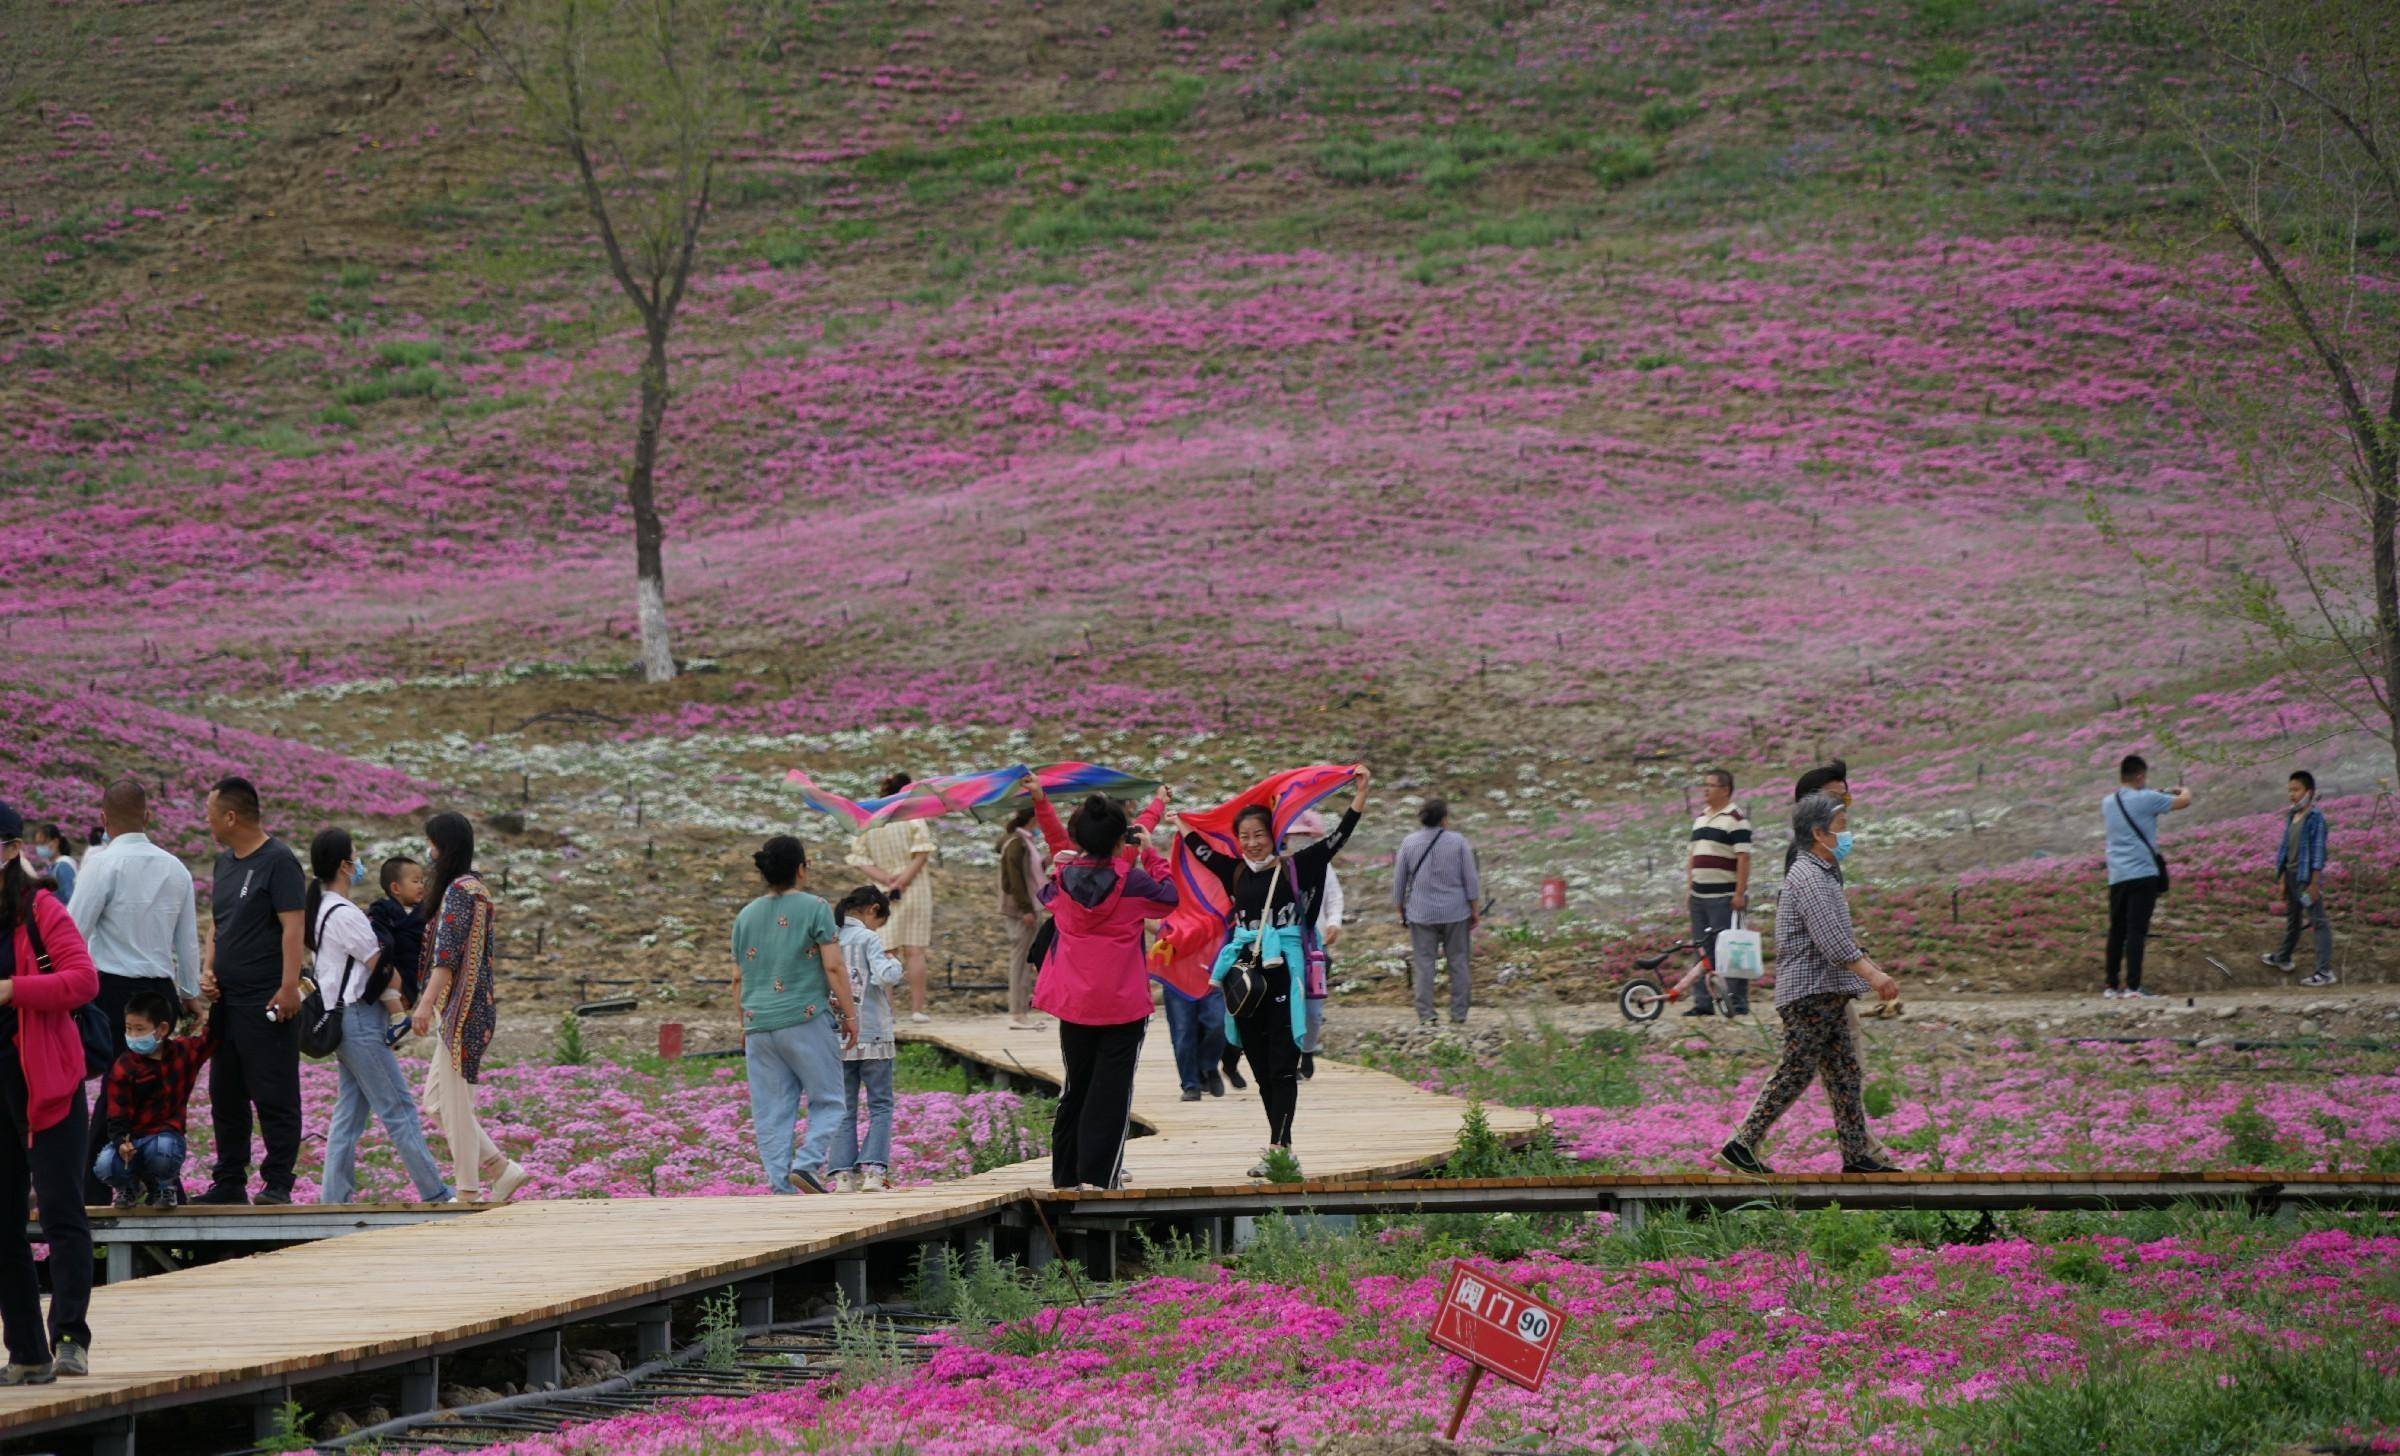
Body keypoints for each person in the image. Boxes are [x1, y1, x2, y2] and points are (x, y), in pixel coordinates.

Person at [1190, 773, 1369, 1176]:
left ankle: (1279, 1147)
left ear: (1275, 835)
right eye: (1245, 836)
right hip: (1245, 978)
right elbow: (1199, 850)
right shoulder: (1235, 871)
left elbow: (1339, 837)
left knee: (1282, 1064)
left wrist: (1360, 793)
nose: (1252, 842)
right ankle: (1280, 1146)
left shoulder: (1297, 867)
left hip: (1285, 973)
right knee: (1259, 1066)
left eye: (1259, 834)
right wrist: (1177, 819)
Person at [1718, 793, 1902, 1177]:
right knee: (1797, 1070)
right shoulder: (1809, 878)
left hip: (1826, 992)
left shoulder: (1823, 874)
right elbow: (1833, 943)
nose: (1846, 835)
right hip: (1809, 994)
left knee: (1844, 1073)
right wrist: (1874, 976)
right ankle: (1741, 1144)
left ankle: (1856, 1156)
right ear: (1819, 833)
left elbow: (1842, 940)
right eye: (1840, 827)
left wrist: (1871, 968)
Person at [1026, 787, 1177, 1191]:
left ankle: (1065, 1177)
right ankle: (1100, 1177)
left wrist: (1044, 809)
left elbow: (1048, 883)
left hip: (1075, 1003)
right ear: (1119, 840)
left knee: (1076, 1087)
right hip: (1123, 1005)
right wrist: (1152, 855)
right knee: (1112, 1091)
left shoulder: (1062, 881)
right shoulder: (1134, 882)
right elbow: (1169, 898)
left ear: (1078, 838)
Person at [66, 779, 203, 1203]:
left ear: (103, 819)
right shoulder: (175, 868)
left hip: (112, 992)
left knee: (118, 1090)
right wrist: (189, 993)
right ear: (148, 816)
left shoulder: (102, 865)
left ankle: (93, 1192)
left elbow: (74, 932)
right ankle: (164, 1185)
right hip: (160, 993)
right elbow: (187, 940)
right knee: (154, 1092)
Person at [0, 805, 99, 1382]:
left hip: (46, 1084)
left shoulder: (40, 907)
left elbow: (83, 980)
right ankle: (28, 1353)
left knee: (61, 1214)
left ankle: (69, 1338)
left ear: (11, 850)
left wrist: (13, 988)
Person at [309, 830, 453, 1206]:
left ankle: (334, 1198)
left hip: (343, 1019)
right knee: (398, 1107)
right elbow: (382, 967)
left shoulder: (321, 910)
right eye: (355, 857)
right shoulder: (345, 914)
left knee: (349, 1114)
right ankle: (435, 1193)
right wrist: (406, 995)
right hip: (360, 1019)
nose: (359, 864)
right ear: (345, 866)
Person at [196, 776, 307, 1206]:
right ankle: (229, 1180)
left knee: (274, 1091)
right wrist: (208, 969)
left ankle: (278, 1181)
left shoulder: (279, 861)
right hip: (227, 1001)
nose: (206, 822)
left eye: (210, 814)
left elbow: (293, 927)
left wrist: (289, 986)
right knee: (225, 1094)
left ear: (231, 816)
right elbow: (218, 924)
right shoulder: (224, 864)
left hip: (265, 998)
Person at [409, 813, 530, 1202]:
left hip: (462, 1010)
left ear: (443, 847)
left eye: (432, 844)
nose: (428, 851)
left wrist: (425, 1004)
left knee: (455, 1105)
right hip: (467, 1007)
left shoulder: (460, 891)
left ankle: (467, 1190)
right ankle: (500, 1168)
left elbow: (446, 957)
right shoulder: (474, 888)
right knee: (436, 1102)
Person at [733, 835, 858, 1196]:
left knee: (771, 1111)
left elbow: (737, 977)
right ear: (801, 869)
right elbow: (833, 967)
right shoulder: (815, 907)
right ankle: (806, 1163)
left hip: (759, 1023)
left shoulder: (745, 915)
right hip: (805, 1017)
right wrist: (850, 1016)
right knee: (829, 1100)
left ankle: (780, 1188)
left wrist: (743, 1022)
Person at [93, 988, 213, 1208]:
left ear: (162, 1029)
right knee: (105, 1164)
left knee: (163, 1148)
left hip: (164, 1138)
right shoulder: (124, 1065)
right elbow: (117, 1112)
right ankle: (128, 1188)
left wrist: (216, 1001)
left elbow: (210, 1038)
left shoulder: (182, 1053)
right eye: (129, 1028)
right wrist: (121, 1142)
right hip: (133, 1141)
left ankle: (164, 1188)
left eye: (140, 1029)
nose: (133, 1036)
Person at [830, 885, 905, 1193]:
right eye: (879, 921)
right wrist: (894, 962)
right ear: (873, 909)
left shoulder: (831, 938)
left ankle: (842, 1177)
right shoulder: (868, 938)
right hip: (873, 1032)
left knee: (843, 1108)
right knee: (881, 1105)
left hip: (838, 1036)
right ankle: (874, 1173)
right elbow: (885, 976)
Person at [846, 774, 936, 1022]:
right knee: (915, 950)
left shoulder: (871, 819)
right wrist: (902, 880)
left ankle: (887, 1011)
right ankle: (917, 1010)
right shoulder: (912, 817)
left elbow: (860, 858)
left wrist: (887, 879)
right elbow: (922, 852)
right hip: (915, 887)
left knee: (886, 950)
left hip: (881, 890)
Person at [2101, 754, 2188, 1001]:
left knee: (2117, 931)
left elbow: (2135, 802)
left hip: (2117, 876)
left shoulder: (2108, 802)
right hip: (2143, 874)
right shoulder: (2148, 799)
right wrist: (2181, 790)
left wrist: (2152, 792)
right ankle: (2133, 987)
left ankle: (2111, 986)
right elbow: (2184, 801)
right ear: (2140, 775)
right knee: (2136, 931)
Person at [1393, 796, 1477, 1027]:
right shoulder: (1458, 842)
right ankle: (1459, 1014)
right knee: (1458, 962)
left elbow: (1399, 881)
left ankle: (1426, 1014)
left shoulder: (1409, 843)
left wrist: (1400, 909)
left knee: (1424, 964)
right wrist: (1474, 909)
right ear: (1444, 819)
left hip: (1421, 912)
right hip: (1456, 911)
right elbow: (1470, 878)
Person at [1684, 768, 1754, 1017]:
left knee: (1731, 949)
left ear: (1725, 790)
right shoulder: (1700, 819)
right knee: (1702, 949)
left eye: (1711, 785)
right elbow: (1693, 855)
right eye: (1704, 785)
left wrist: (1739, 893)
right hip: (1699, 896)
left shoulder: (1736, 819)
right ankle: (1703, 1001)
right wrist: (1689, 887)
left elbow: (1743, 858)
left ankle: (1737, 1000)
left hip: (1723, 897)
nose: (1705, 790)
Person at [1289, 810, 1347, 1079]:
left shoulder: (1322, 864)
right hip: (1285, 945)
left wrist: (1334, 922)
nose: (1299, 839)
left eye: (1305, 834)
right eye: (1295, 834)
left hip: (1314, 947)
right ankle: (1290, 1056)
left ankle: (1308, 1050)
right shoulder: (1277, 865)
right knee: (1288, 1004)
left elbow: (1334, 896)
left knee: (1313, 1009)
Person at [2263, 771, 2334, 988]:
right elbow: (2286, 850)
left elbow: (2318, 854)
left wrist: (2314, 883)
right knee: (2293, 919)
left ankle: (2324, 972)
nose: (2291, 794)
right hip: (2292, 876)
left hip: (2306, 880)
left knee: (2318, 922)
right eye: (2289, 790)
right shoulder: (2292, 816)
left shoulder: (2315, 818)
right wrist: (2283, 879)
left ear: (2308, 792)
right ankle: (2283, 957)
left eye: (2296, 790)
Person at [995, 804, 1048, 1030]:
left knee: (1025, 960)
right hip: (1022, 910)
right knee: (1020, 961)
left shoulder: (1025, 842)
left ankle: (1021, 1012)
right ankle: (1017, 1012)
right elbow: (1015, 880)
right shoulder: (1016, 844)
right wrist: (1026, 908)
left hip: (1029, 907)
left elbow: (1030, 872)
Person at [368, 855, 430, 1014]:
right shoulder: (382, 911)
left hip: (417, 976)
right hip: (393, 977)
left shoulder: (424, 913)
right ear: (396, 888)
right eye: (415, 881)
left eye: (422, 881)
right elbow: (381, 942)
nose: (421, 886)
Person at [1782, 760, 1850, 874]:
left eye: (1844, 799)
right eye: (1832, 798)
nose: (1840, 806)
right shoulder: (1801, 855)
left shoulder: (1827, 848)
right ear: (1808, 803)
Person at [29, 826, 74, 907]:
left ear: (55, 842)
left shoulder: (63, 866)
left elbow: (70, 898)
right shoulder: (54, 865)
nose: (39, 848)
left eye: (42, 843)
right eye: (37, 844)